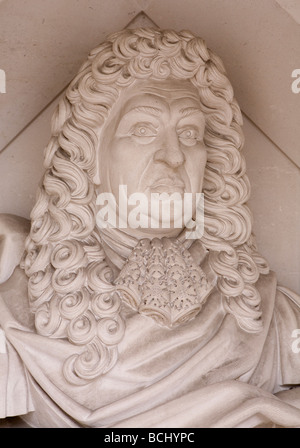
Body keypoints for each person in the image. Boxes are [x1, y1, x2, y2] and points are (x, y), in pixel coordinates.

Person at [0, 27, 300, 428]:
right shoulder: (16, 308)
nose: (173, 156)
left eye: (190, 133)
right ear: (88, 158)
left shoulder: (273, 317)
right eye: (143, 130)